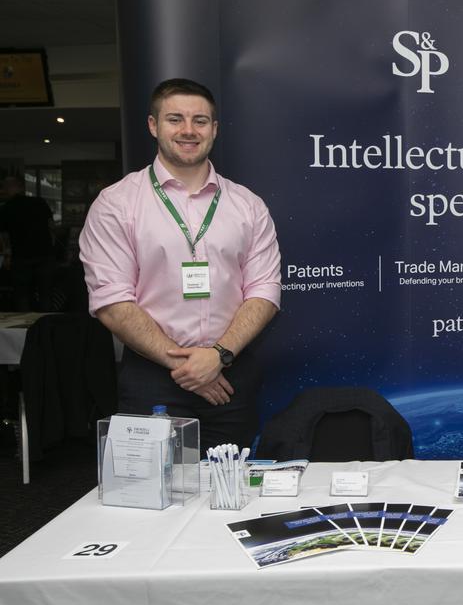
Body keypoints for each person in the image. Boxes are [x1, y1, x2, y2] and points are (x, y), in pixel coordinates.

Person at [80, 78, 281, 452]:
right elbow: (112, 302)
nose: (189, 130)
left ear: (214, 129)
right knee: (154, 486)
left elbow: (265, 291)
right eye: (175, 119)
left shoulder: (248, 206)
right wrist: (189, 367)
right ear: (153, 125)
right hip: (152, 379)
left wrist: (217, 356)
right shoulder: (116, 204)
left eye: (200, 121)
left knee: (231, 485)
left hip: (230, 378)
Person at [0, 175, 56, 311]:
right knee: (45, 293)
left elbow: (4, 235)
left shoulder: (6, 208)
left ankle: (24, 323)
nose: (4, 190)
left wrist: (7, 254)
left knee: (22, 294)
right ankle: (46, 320)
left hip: (21, 256)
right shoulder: (39, 202)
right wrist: (52, 246)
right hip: (44, 253)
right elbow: (51, 226)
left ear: (17, 187)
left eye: (6, 187)